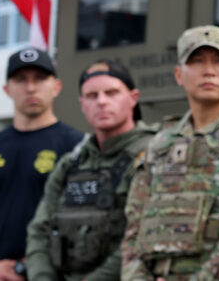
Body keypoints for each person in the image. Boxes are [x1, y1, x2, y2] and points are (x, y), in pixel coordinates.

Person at [121, 25, 219, 280]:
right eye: (196, 61)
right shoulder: (160, 144)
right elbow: (133, 232)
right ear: (178, 74)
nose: (208, 71)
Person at [25, 59, 157, 281]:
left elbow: (144, 235)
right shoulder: (71, 164)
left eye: (111, 93)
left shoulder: (156, 155)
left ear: (133, 98)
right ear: (82, 103)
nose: (102, 102)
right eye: (92, 96)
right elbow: (39, 231)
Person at [0, 47, 84, 281]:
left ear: (57, 86)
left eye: (40, 78)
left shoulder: (77, 147)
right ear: (7, 89)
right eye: (21, 79)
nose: (31, 88)